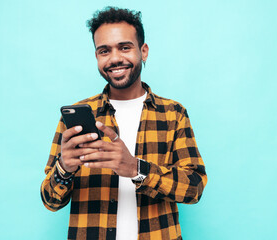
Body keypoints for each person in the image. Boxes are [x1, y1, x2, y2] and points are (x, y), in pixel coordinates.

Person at [40, 6, 207, 240]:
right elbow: (50, 201)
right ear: (97, 56)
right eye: (104, 51)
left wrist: (136, 169)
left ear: (144, 51)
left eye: (125, 47)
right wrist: (64, 169)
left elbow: (194, 188)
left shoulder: (173, 114)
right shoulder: (75, 119)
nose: (115, 58)